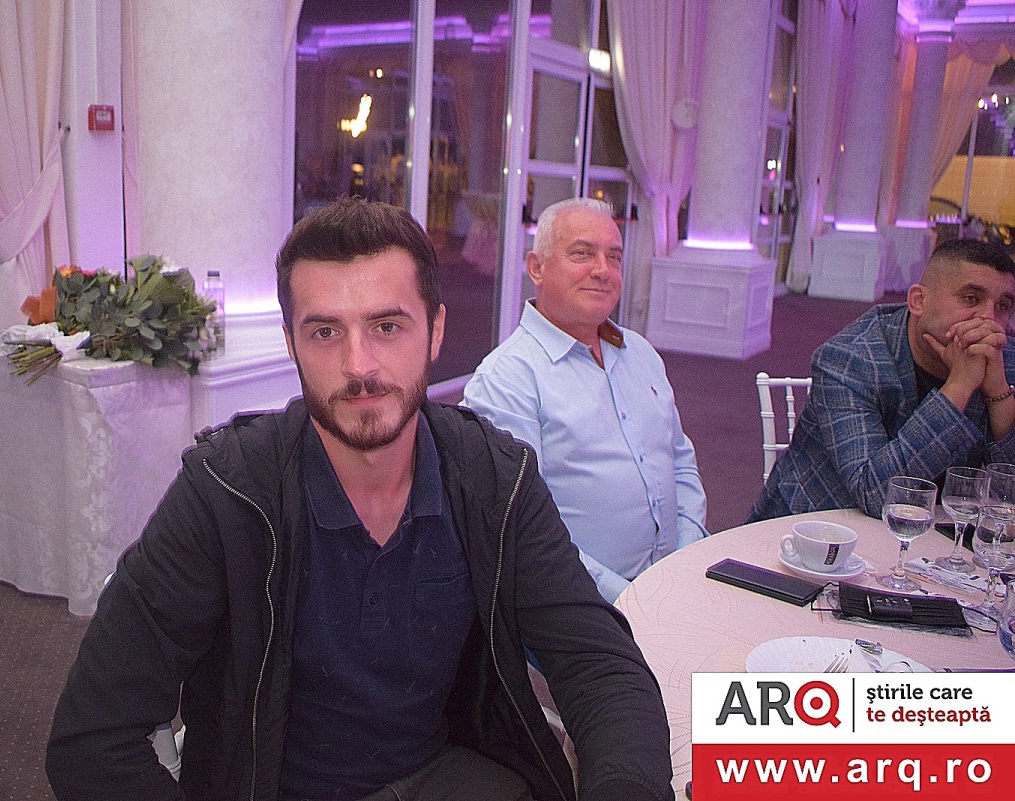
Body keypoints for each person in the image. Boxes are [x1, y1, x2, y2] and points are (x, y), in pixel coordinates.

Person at [45, 197, 673, 801]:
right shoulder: (227, 493)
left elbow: (601, 667)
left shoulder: (494, 478)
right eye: (325, 332)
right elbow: (91, 741)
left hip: (446, 776)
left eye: (386, 326)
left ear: (435, 331)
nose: (359, 365)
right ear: (291, 343)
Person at [463, 198, 708, 602]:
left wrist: (687, 552)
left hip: (673, 582)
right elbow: (523, 531)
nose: (602, 270)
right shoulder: (506, 381)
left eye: (614, 257)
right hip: (580, 607)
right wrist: (631, 601)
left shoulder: (641, 353)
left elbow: (680, 461)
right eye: (582, 254)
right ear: (537, 268)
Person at [748, 237, 1015, 522]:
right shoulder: (849, 358)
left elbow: (1007, 495)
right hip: (815, 529)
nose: (989, 319)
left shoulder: (1003, 358)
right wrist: (959, 386)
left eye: (1003, 305)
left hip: (937, 533)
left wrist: (998, 392)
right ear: (919, 301)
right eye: (971, 299)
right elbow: (877, 494)